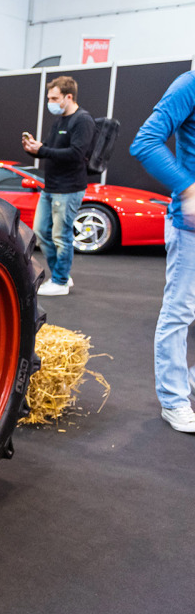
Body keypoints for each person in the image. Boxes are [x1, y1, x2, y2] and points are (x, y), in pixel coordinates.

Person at [129, 71, 195, 434]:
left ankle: (185, 382)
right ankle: (174, 400)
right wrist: (187, 189)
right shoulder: (190, 85)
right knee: (179, 311)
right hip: (190, 229)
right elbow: (145, 142)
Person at [21, 75, 96, 297]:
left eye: (54, 98)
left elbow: (76, 154)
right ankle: (61, 273)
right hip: (51, 186)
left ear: (68, 96)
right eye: (49, 98)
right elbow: (49, 149)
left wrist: (41, 150)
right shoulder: (60, 120)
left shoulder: (83, 120)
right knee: (41, 232)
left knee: (61, 236)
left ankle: (61, 281)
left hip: (69, 188)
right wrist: (32, 148)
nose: (50, 102)